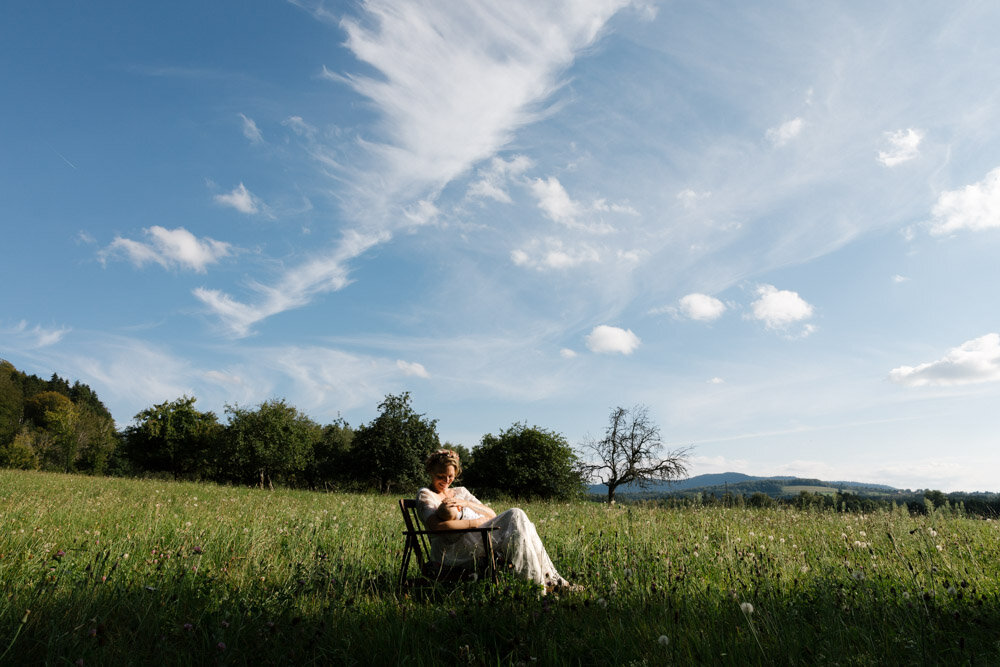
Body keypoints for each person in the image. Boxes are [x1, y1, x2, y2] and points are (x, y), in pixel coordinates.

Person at [416, 449, 580, 594]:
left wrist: (466, 503)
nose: (446, 481)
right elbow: (436, 526)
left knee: (521, 522)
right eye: (440, 476)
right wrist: (475, 523)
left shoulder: (460, 492)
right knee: (516, 516)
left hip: (478, 539)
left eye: (450, 476)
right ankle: (542, 585)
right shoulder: (426, 494)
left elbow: (491, 514)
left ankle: (548, 583)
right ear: (430, 471)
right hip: (454, 550)